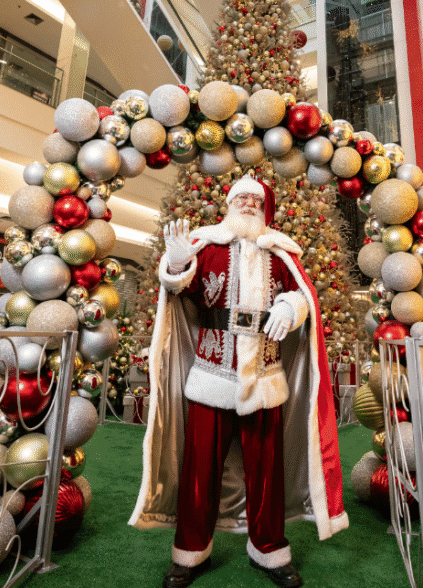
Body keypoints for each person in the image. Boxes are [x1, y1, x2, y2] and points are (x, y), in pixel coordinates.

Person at [129, 176, 348, 588]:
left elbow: (304, 295)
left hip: (265, 377)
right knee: (199, 472)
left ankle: (269, 549)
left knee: (266, 473)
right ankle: (190, 551)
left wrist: (292, 305)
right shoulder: (206, 246)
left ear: (264, 208)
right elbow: (181, 291)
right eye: (240, 198)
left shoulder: (281, 253)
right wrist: (175, 265)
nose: (248, 204)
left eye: (255, 199)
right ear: (229, 204)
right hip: (211, 376)